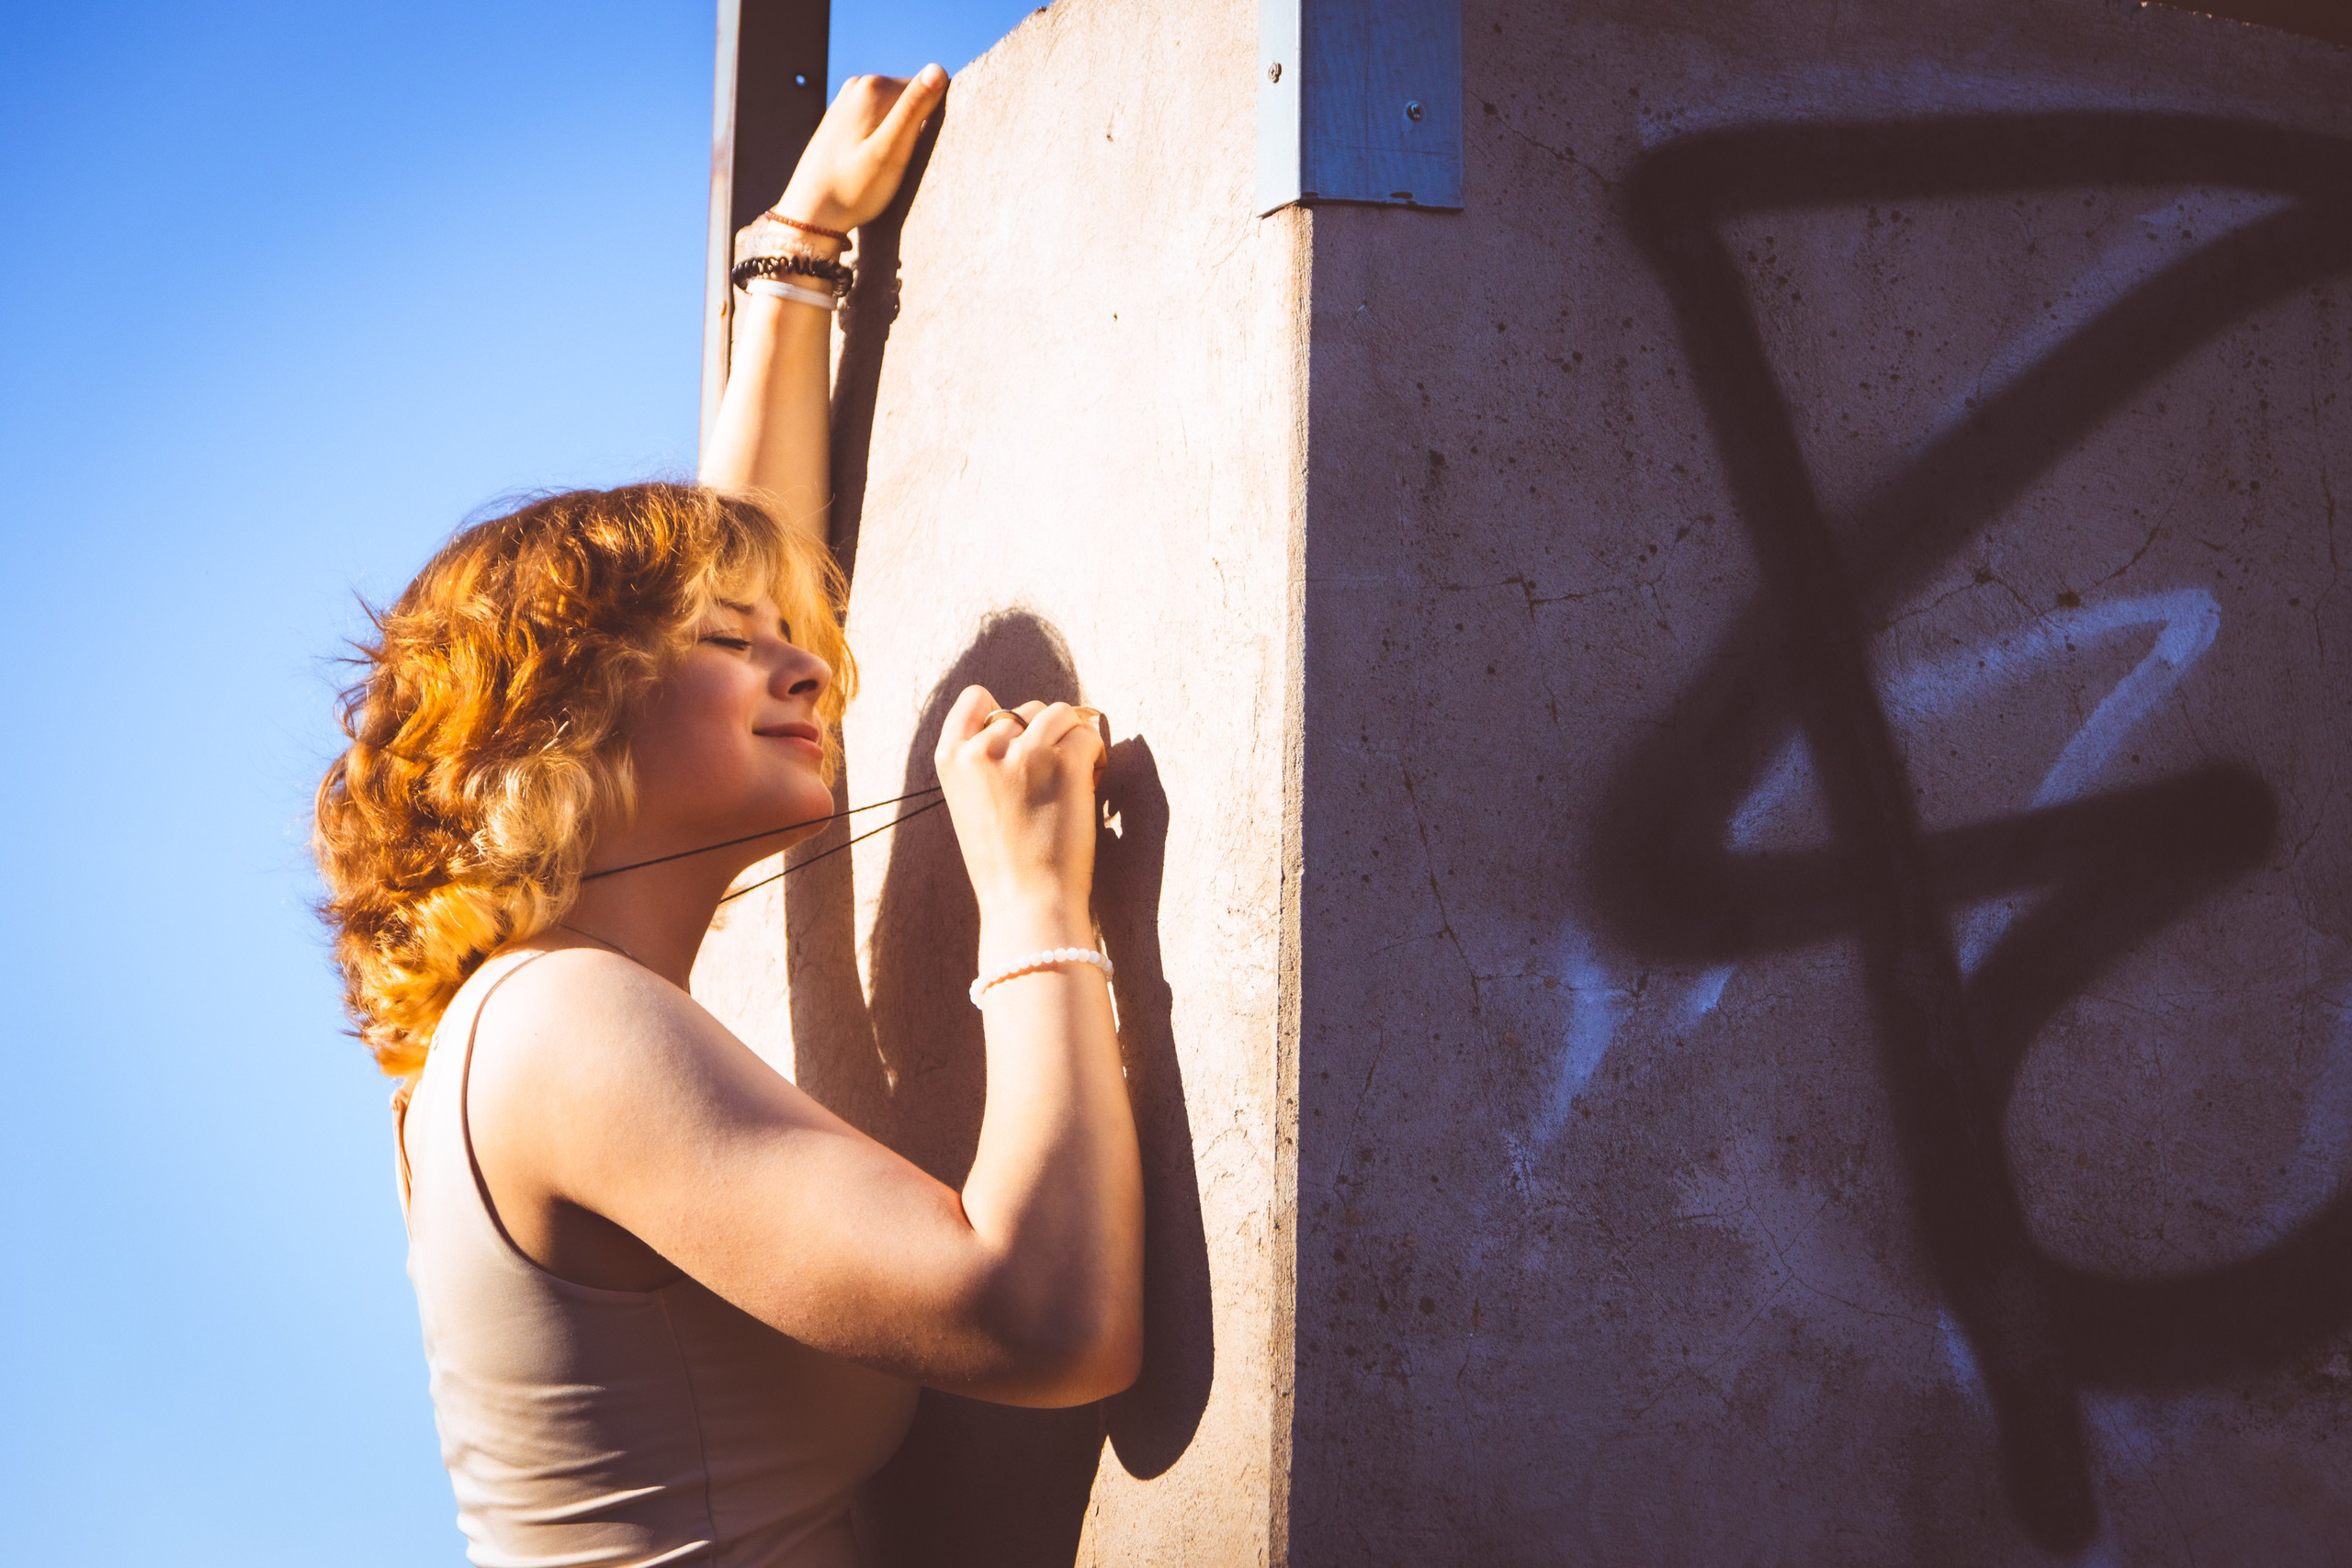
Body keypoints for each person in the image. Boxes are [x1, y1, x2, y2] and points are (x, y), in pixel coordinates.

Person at [312, 66, 1143, 1567]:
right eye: (725, 639)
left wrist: (796, 255)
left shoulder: (522, 1032)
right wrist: (1034, 904)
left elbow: (759, 580)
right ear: (561, 723)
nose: (802, 664)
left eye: (792, 631)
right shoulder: (556, 1026)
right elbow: (1047, 1322)